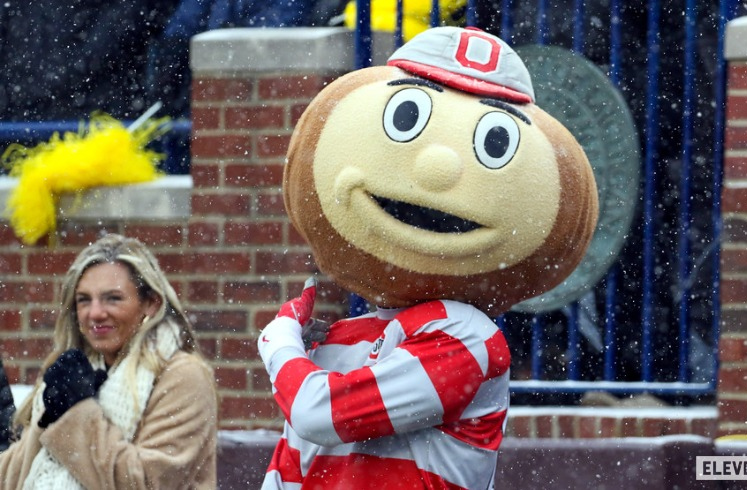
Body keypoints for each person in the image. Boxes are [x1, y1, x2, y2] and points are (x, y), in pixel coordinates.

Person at [261, 26, 599, 488]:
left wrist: (279, 342)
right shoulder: (338, 340)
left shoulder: (467, 336)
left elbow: (317, 412)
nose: (437, 168)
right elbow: (286, 471)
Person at [0, 233, 218, 489]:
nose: (95, 313)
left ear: (150, 303)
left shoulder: (182, 376)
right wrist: (52, 415)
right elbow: (15, 475)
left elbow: (144, 483)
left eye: (112, 298)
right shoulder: (75, 372)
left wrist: (76, 413)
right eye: (84, 300)